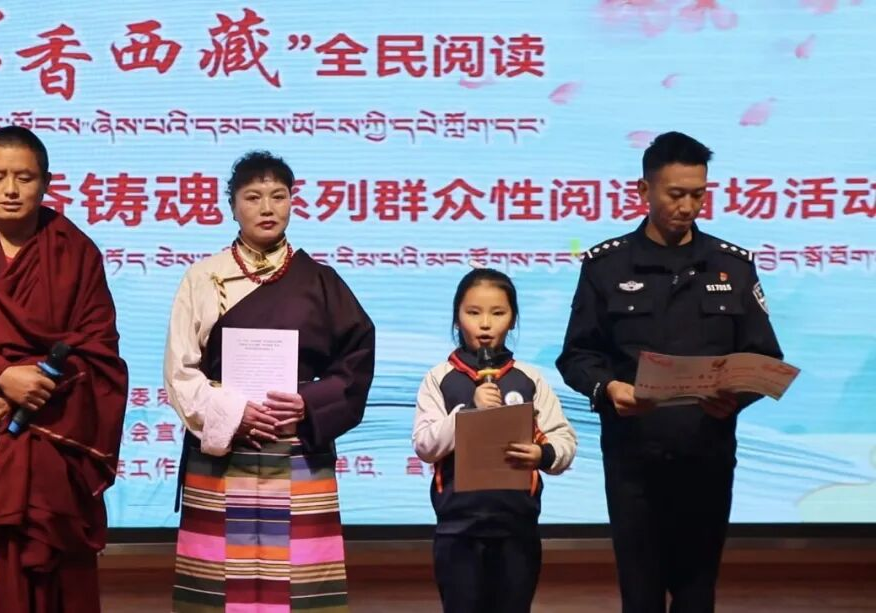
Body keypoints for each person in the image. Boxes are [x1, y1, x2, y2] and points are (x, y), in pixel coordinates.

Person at [556, 131, 784, 613]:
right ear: (644, 190)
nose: (687, 207)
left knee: (697, 594)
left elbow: (764, 355)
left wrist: (737, 395)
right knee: (640, 595)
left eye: (698, 194)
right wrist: (609, 388)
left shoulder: (732, 266)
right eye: (676, 194)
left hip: (707, 456)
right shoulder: (606, 265)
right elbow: (577, 355)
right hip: (633, 460)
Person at [0, 126, 128, 612]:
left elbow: (100, 350)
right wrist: (1, 376)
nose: (10, 189)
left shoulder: (75, 252)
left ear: (46, 182)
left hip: (48, 428)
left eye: (25, 177)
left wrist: (34, 383)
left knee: (50, 561)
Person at [164, 150, 376, 611]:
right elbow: (180, 370)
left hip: (296, 442)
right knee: (219, 587)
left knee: (300, 587)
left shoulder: (320, 281)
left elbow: (356, 358)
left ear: (292, 202)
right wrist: (233, 413)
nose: (267, 208)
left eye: (278, 196)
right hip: (223, 446)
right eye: (253, 196)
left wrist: (309, 403)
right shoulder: (203, 277)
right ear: (232, 206)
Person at [412, 267, 576, 613]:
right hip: (458, 529)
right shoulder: (439, 378)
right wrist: (469, 412)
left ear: (512, 320)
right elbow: (425, 445)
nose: (485, 324)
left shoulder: (529, 379)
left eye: (498, 313)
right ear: (457, 317)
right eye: (473, 313)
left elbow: (563, 441)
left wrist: (542, 454)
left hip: (517, 527)